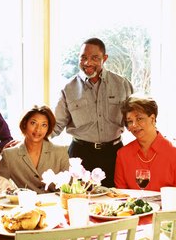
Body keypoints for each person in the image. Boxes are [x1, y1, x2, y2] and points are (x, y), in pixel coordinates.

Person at [52, 37, 133, 187]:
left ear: (105, 58)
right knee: (79, 202)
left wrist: (158, 140)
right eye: (83, 58)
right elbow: (55, 125)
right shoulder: (68, 89)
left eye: (95, 58)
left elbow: (135, 121)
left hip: (114, 154)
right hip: (80, 156)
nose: (88, 63)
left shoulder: (122, 85)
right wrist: (28, 140)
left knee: (115, 203)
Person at [114, 95, 176, 191]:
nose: (134, 125)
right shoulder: (123, 155)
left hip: (169, 206)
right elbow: (121, 195)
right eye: (130, 121)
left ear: (152, 119)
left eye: (139, 119)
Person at [0, 105, 69, 193]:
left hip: (55, 205)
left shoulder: (61, 152)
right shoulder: (9, 155)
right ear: (24, 124)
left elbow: (70, 188)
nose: (38, 129)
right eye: (33, 123)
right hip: (23, 204)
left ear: (48, 128)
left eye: (44, 125)